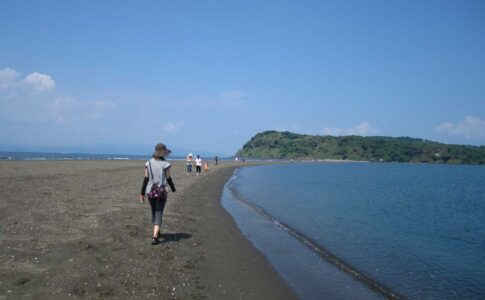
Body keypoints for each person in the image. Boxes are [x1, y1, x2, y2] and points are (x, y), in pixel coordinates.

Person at [139, 143, 176, 245]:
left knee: (154, 211)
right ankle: (155, 237)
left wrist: (142, 192)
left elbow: (145, 179)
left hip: (149, 191)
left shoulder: (148, 163)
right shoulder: (166, 164)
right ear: (163, 153)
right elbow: (169, 178)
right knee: (159, 212)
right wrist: (173, 188)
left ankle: (157, 230)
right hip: (161, 192)